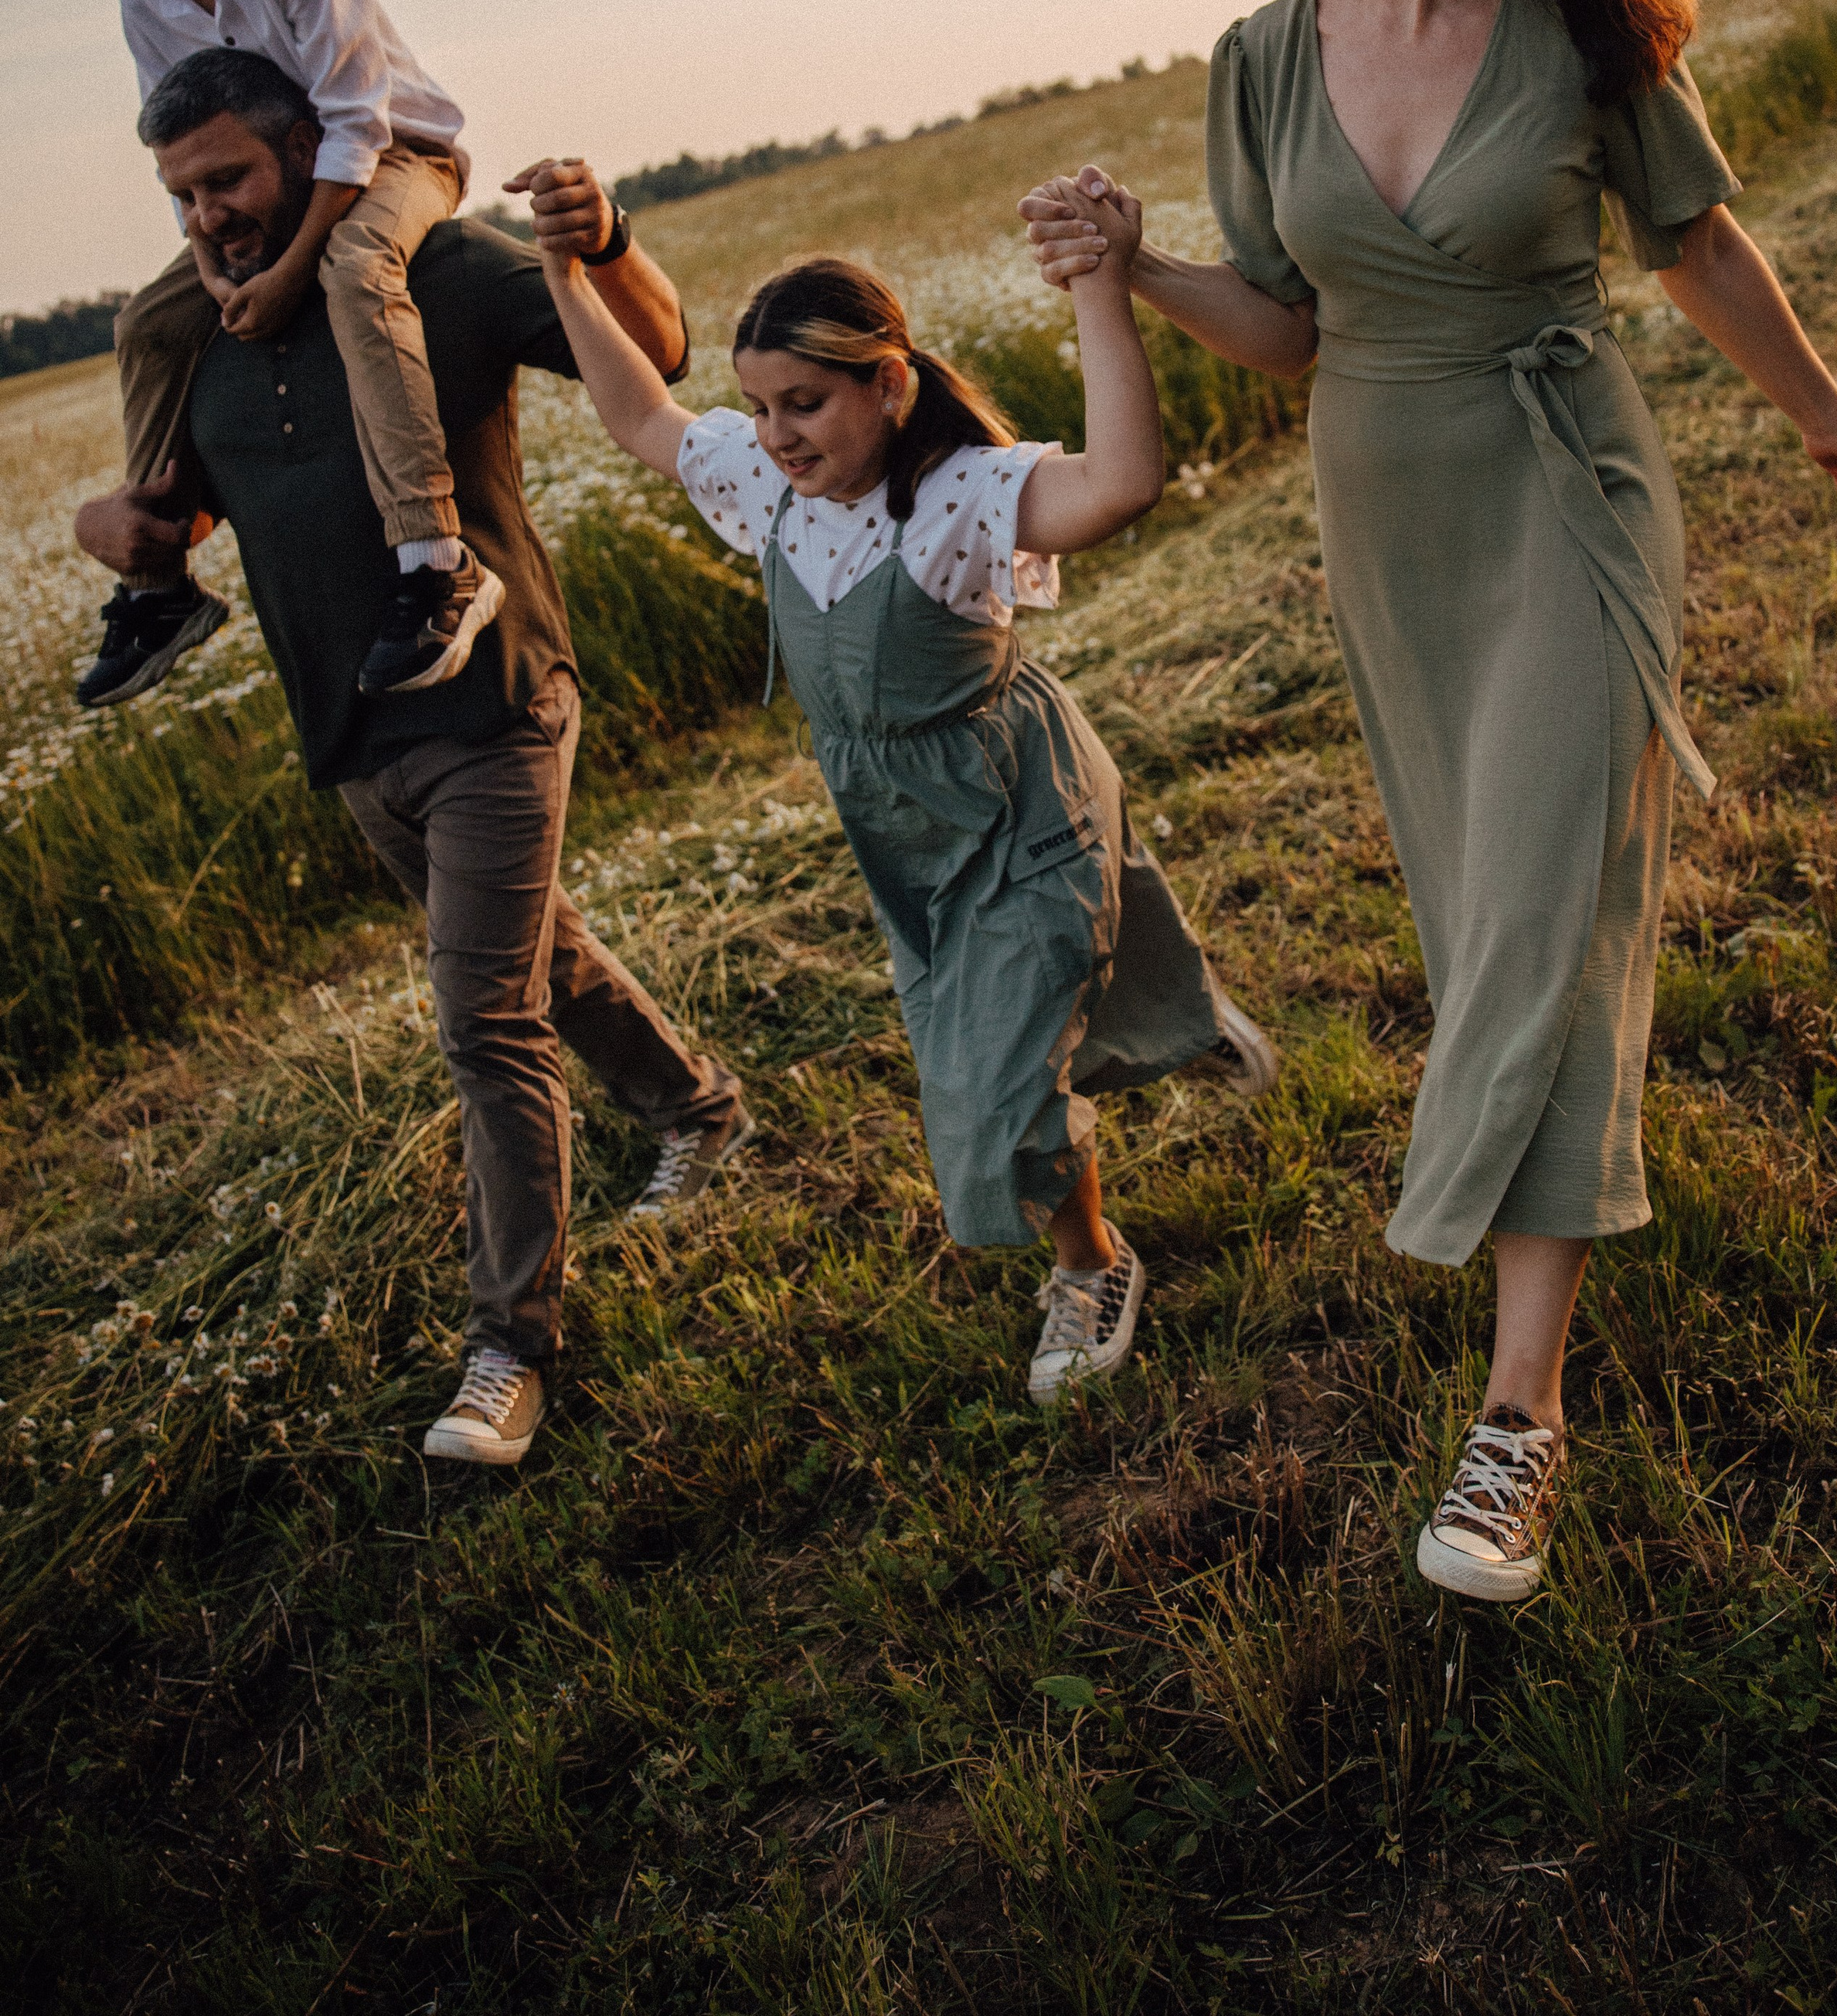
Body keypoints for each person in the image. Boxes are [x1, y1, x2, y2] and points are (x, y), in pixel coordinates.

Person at [1022, 0, 1837, 1594]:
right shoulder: (1258, 57)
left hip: (1564, 494)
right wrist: (1136, 266)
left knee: (1534, 914)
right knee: (1491, 915)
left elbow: (1691, 245)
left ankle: (1515, 1421)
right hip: (1393, 529)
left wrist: (1828, 419)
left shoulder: (1578, 24)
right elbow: (1287, 322)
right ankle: (1525, 1308)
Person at [74, 50, 751, 1468]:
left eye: (230, 180)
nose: (207, 217)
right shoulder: (202, 333)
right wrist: (111, 531)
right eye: (182, 195)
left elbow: (661, 356)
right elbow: (185, 518)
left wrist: (609, 240)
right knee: (531, 959)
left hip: (494, 701)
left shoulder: (429, 273)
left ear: (309, 160)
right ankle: (698, 1106)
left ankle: (511, 1348)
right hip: (352, 735)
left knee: (482, 1021)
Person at [518, 171, 1278, 1406]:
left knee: (994, 1072)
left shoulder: (961, 496)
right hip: (902, 831)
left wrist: (1102, 286)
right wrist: (566, 273)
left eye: (806, 402)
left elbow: (1123, 481)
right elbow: (641, 417)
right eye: (761, 406)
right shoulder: (767, 486)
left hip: (1017, 794)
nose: (775, 433)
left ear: (891, 382)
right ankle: (1183, 1022)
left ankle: (1091, 1264)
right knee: (1010, 1006)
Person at [55, 0, 500, 709]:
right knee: (150, 324)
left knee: (354, 271)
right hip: (266, 201)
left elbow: (356, 121)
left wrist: (292, 266)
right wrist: (212, 271)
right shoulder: (142, 5)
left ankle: (434, 560)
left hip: (397, 160)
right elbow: (178, 157)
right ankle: (159, 584)